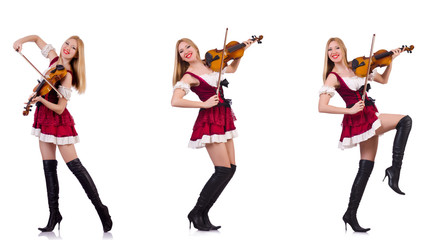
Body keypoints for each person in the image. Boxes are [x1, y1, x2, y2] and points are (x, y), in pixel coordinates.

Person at [13, 35, 112, 232]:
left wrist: (40, 100)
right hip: (43, 120)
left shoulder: (67, 74)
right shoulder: (53, 60)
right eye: (67, 43)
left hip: (58, 122)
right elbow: (36, 39)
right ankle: (54, 214)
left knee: (75, 167)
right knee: (48, 168)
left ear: (76, 55)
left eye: (73, 48)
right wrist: (20, 42)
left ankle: (101, 208)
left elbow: (59, 108)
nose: (67, 48)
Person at [318, 37, 412, 232]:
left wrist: (390, 62)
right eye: (329, 50)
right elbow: (322, 107)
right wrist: (350, 110)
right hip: (361, 119)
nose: (333, 52)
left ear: (343, 49)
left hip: (370, 115)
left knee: (366, 166)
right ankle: (394, 170)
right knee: (405, 120)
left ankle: (350, 214)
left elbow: (384, 80)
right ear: (327, 55)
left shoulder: (358, 66)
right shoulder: (333, 77)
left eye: (336, 48)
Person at [171, 38, 254, 231]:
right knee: (222, 170)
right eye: (181, 51)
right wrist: (203, 103)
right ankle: (196, 212)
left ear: (195, 47)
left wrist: (240, 53)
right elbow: (175, 101)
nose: (185, 52)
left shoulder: (213, 64)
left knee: (231, 168)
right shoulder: (188, 76)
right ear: (181, 58)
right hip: (210, 120)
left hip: (224, 117)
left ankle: (203, 212)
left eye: (187, 47)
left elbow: (232, 69)